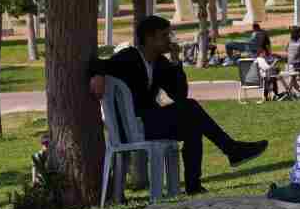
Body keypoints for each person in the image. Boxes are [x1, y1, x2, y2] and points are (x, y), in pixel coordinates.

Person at [90, 15, 271, 194]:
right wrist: (97, 75)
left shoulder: (160, 63)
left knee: (193, 126)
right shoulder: (129, 57)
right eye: (164, 36)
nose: (169, 40)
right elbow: (97, 63)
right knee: (191, 109)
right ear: (149, 38)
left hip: (149, 123)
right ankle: (232, 149)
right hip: (132, 125)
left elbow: (179, 95)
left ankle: (194, 185)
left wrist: (176, 61)